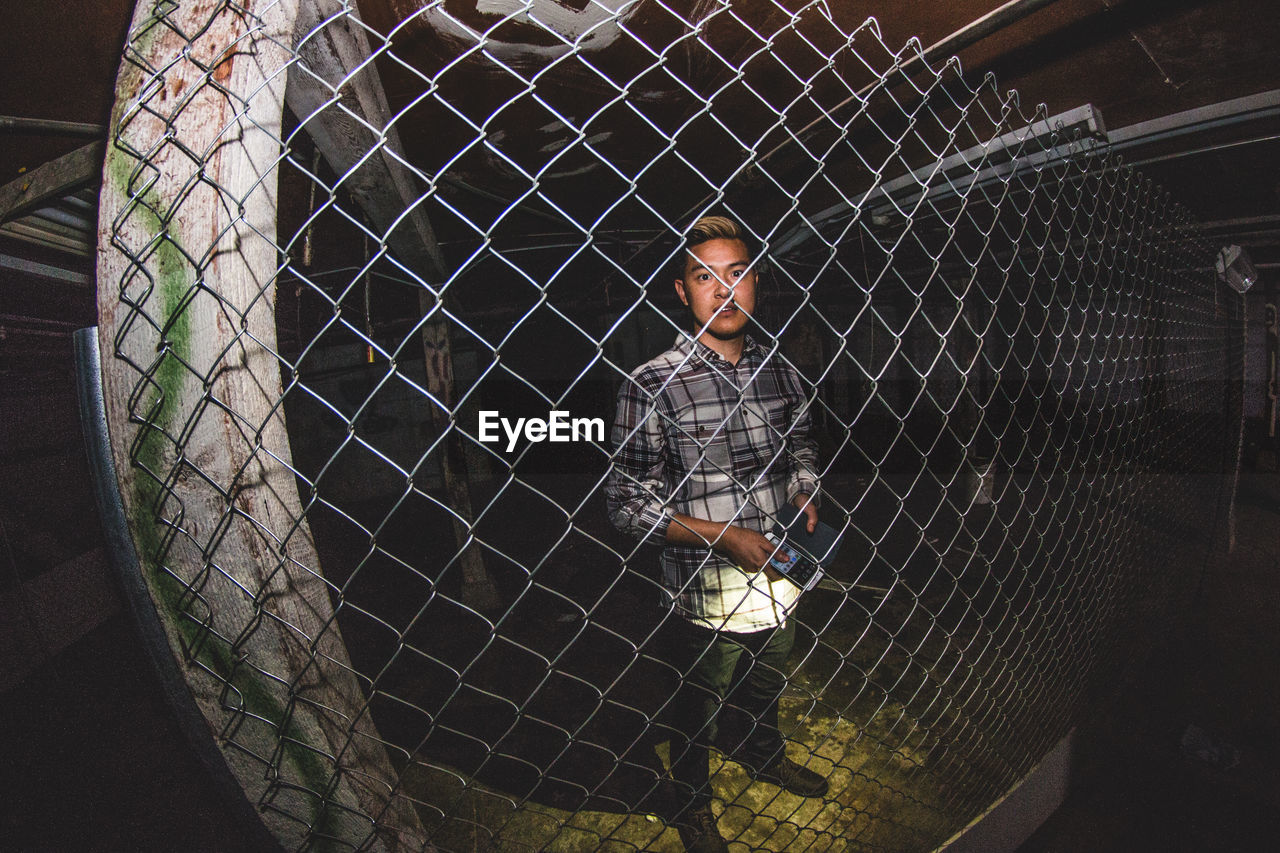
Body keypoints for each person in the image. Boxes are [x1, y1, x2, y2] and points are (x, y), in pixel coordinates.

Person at [605, 216, 828, 852]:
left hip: (782, 573)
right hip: (706, 593)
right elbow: (623, 504)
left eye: (737, 273)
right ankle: (693, 802)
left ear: (755, 281)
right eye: (706, 276)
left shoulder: (780, 371)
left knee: (768, 683)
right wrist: (720, 536)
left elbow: (803, 445)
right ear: (682, 291)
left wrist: (805, 487)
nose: (724, 290)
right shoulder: (651, 385)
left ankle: (764, 754)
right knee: (697, 708)